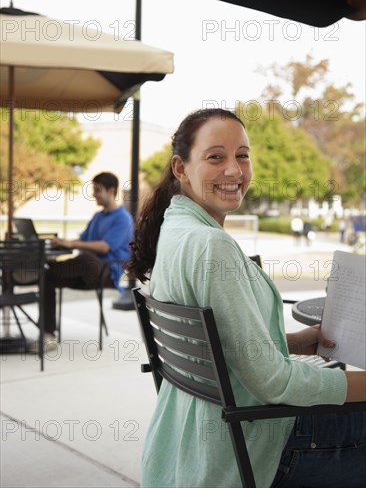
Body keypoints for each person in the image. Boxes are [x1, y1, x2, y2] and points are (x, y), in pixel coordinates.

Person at [127, 108, 366, 488]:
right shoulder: (210, 246)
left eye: (243, 155)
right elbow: (274, 384)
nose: (235, 171)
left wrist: (292, 342)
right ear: (180, 167)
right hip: (248, 450)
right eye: (216, 156)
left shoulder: (176, 228)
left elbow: (216, 350)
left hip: (194, 442)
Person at [43, 172, 134, 343]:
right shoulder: (97, 216)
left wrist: (72, 245)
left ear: (111, 191)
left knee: (87, 259)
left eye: (97, 190)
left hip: (105, 273)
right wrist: (64, 242)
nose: (93, 194)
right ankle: (48, 334)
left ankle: (47, 267)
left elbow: (105, 246)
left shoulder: (123, 219)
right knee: (47, 278)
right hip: (84, 271)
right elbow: (82, 240)